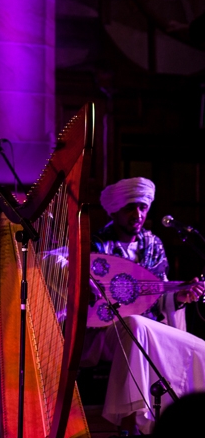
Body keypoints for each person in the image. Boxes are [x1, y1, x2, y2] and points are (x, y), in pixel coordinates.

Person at [83, 177, 205, 434]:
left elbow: (159, 294)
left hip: (147, 326)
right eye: (130, 207)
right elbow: (88, 300)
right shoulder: (97, 245)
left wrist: (179, 298)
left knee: (199, 347)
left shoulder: (153, 244)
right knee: (135, 325)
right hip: (106, 332)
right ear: (114, 210)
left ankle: (178, 423)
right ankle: (128, 424)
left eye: (142, 207)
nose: (138, 214)